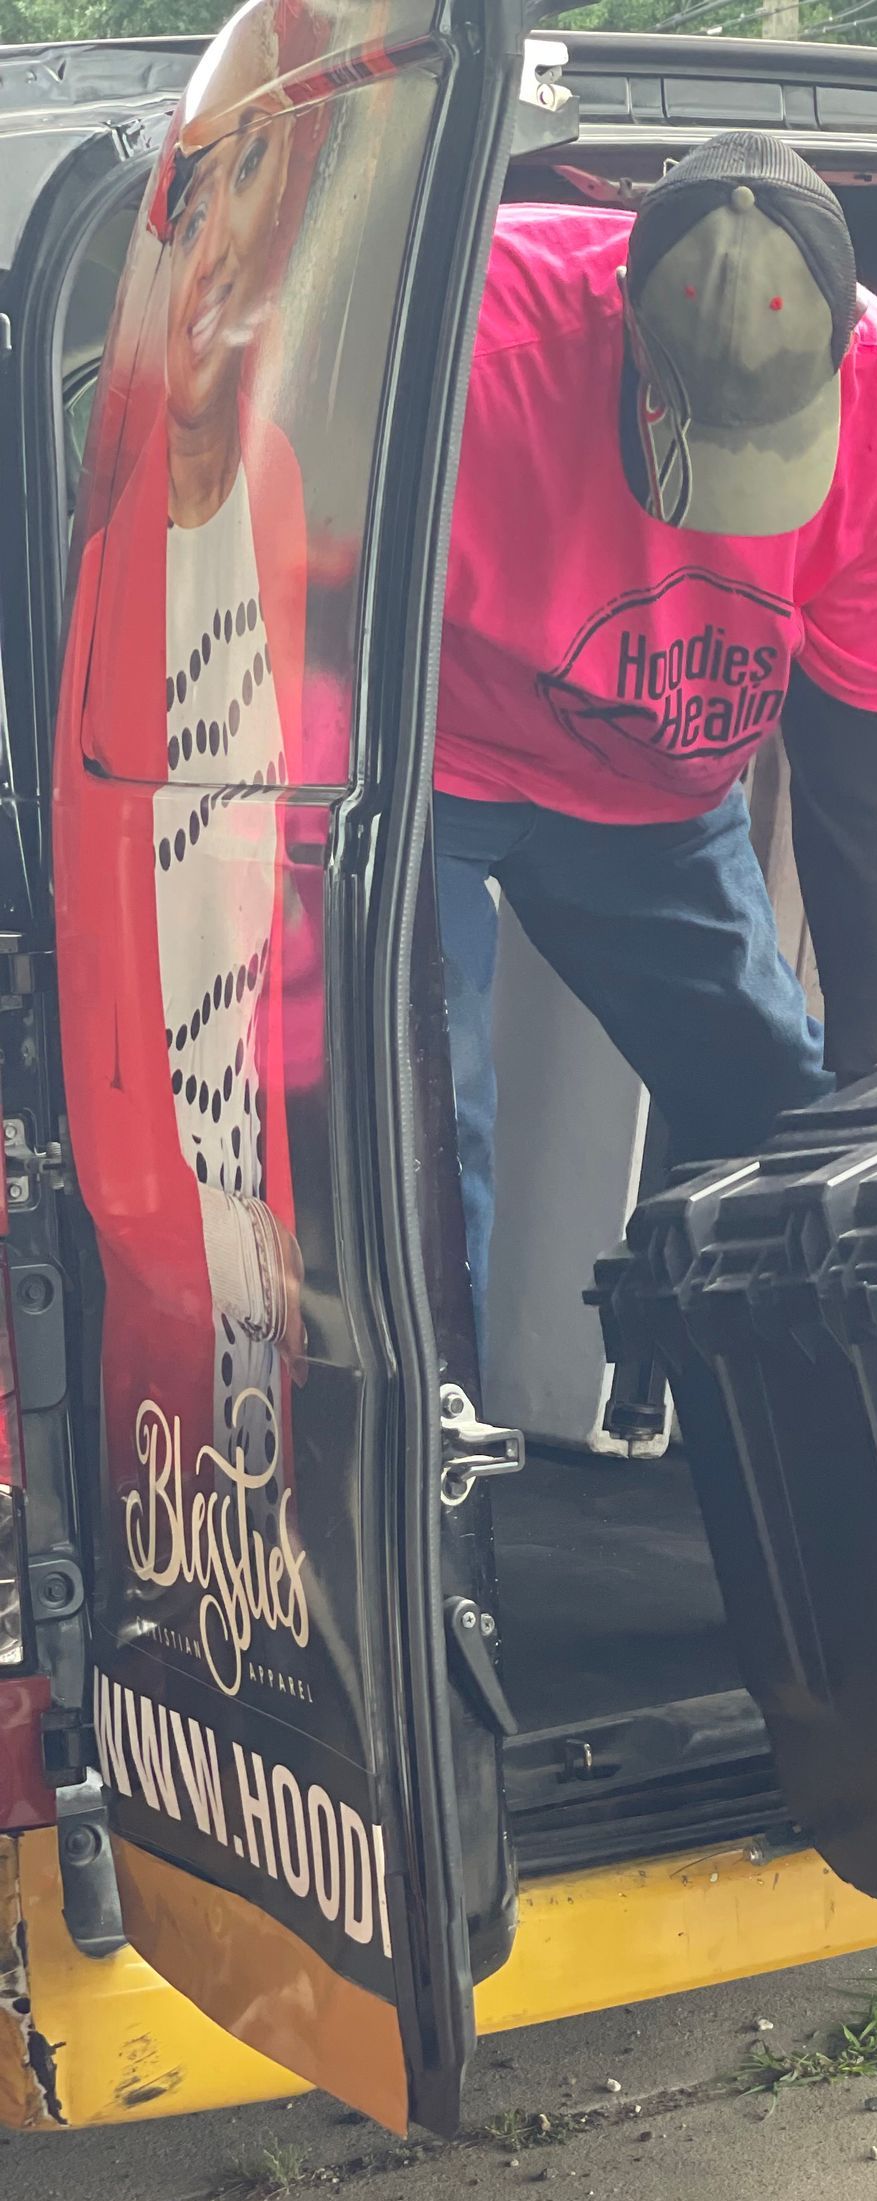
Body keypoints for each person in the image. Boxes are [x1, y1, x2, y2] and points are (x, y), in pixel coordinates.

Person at [433, 131, 877, 1346]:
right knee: (421, 1127)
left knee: (786, 1113)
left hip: (656, 797)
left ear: (845, 343)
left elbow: (867, 775)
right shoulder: (461, 345)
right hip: (435, 763)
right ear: (626, 317)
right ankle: (431, 1450)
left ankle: (796, 1417)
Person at [57, 0, 312, 1561]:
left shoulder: (284, 493)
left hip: (260, 1119)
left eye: (263, 185)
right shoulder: (107, 537)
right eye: (211, 194)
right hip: (154, 1152)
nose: (219, 252)